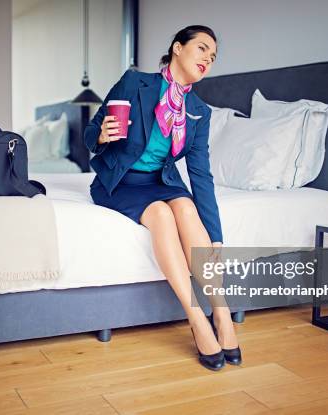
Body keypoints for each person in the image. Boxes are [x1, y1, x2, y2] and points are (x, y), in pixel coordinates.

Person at [83, 25, 240, 371]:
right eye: (202, 49)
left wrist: (216, 236)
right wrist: (101, 136)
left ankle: (222, 312)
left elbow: (200, 176)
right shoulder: (134, 82)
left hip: (161, 181)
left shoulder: (199, 111)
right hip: (123, 183)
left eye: (213, 57)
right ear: (177, 48)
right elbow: (91, 131)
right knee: (161, 215)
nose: (208, 60)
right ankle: (197, 318)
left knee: (184, 206)